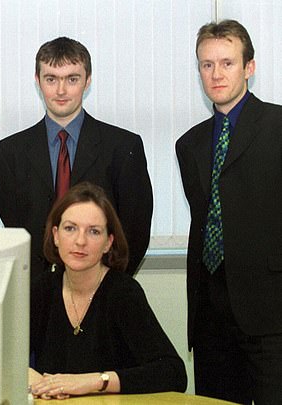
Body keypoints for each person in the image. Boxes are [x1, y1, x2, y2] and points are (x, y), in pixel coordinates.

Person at [0, 36, 153, 343]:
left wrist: (104, 287)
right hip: (37, 303)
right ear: (37, 80)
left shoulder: (123, 147)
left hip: (105, 299)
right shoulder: (12, 151)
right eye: (51, 79)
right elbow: (16, 227)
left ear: (88, 81)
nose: (61, 90)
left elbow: (135, 229)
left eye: (72, 79)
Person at [176, 20, 282, 405]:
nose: (216, 74)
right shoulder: (189, 144)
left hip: (271, 316)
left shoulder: (277, 126)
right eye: (207, 65)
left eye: (227, 63)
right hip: (211, 319)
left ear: (249, 67)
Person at [29, 182, 185, 399]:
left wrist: (95, 381)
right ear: (55, 236)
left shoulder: (123, 293)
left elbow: (173, 373)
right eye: (70, 228)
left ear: (108, 243)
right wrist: (38, 381)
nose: (80, 241)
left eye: (93, 231)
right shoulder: (42, 289)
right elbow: (1, 355)